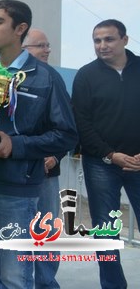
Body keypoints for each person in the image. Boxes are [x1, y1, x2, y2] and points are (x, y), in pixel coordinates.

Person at [0, 0, 77, 289]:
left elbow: (67, 134)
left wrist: (15, 146)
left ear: (20, 29)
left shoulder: (45, 78)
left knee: (15, 275)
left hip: (18, 189)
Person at [72, 19, 140, 289]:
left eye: (109, 39)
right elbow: (82, 122)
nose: (102, 46)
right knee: (106, 231)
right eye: (97, 41)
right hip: (101, 164)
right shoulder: (86, 75)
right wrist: (111, 154)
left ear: (125, 40)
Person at [23, 28, 61, 289]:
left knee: (46, 231)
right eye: (40, 46)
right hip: (13, 173)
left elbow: (68, 125)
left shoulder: (53, 78)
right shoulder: (3, 76)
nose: (47, 50)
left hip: (46, 173)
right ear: (24, 48)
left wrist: (55, 155)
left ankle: (46, 283)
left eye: (47, 45)